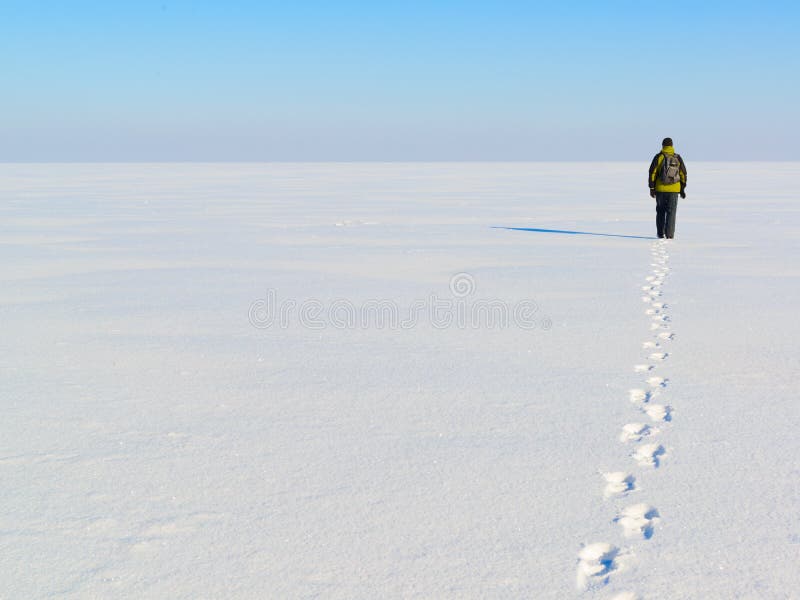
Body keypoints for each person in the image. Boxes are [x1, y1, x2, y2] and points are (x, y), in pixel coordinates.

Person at [648, 137, 687, 239]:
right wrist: (682, 188)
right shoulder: (677, 157)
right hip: (674, 190)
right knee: (671, 212)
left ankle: (660, 234)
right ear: (672, 146)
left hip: (660, 189)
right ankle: (669, 235)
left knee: (660, 211)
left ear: (663, 146)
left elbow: (652, 173)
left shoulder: (659, 157)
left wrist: (652, 188)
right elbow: (683, 174)